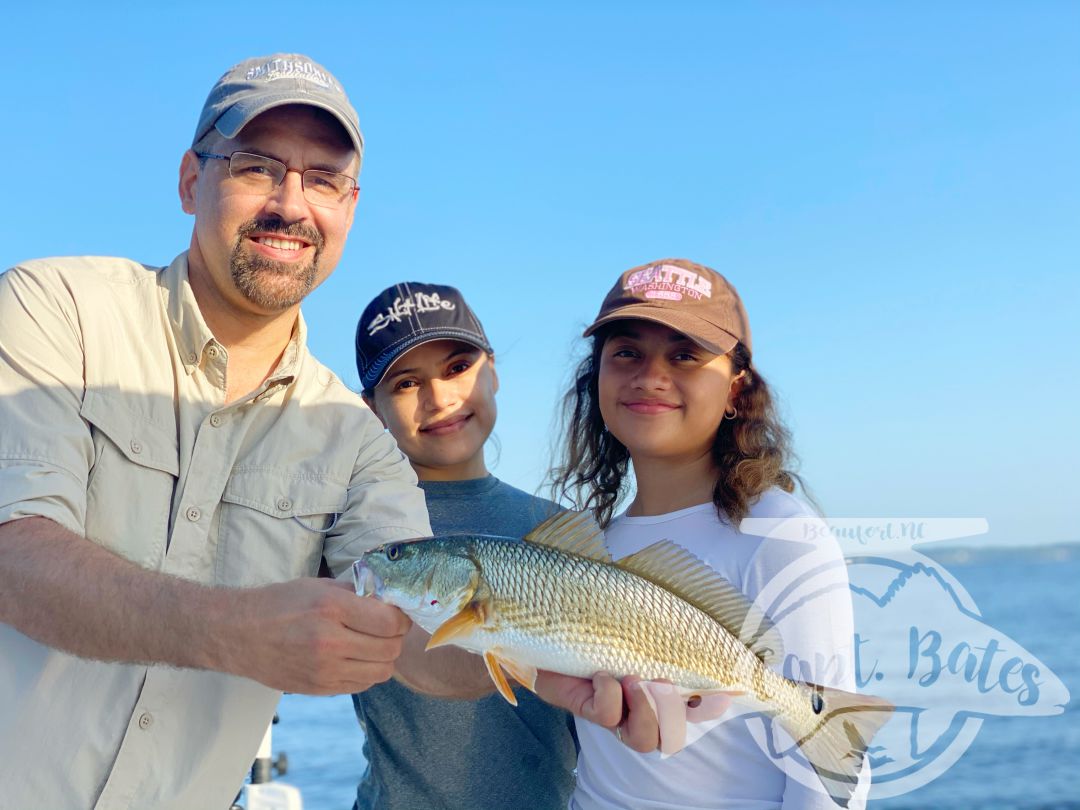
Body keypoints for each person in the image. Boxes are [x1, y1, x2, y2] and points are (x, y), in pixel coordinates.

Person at [0, 54, 432, 809]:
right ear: (190, 180)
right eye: (258, 166)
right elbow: (12, 551)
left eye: (324, 179)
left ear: (351, 206)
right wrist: (232, 630)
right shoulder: (54, 305)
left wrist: (570, 668)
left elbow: (423, 630)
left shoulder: (357, 439)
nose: (292, 205)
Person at [550, 258, 867, 809]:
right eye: (626, 352)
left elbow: (831, 764)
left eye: (685, 355)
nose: (650, 375)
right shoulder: (593, 542)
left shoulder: (781, 534)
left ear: (736, 392)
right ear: (595, 376)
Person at [349, 281, 578, 810]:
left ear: (492, 370)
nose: (439, 398)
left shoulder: (558, 528)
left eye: (457, 368)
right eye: (406, 383)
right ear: (372, 408)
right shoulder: (355, 530)